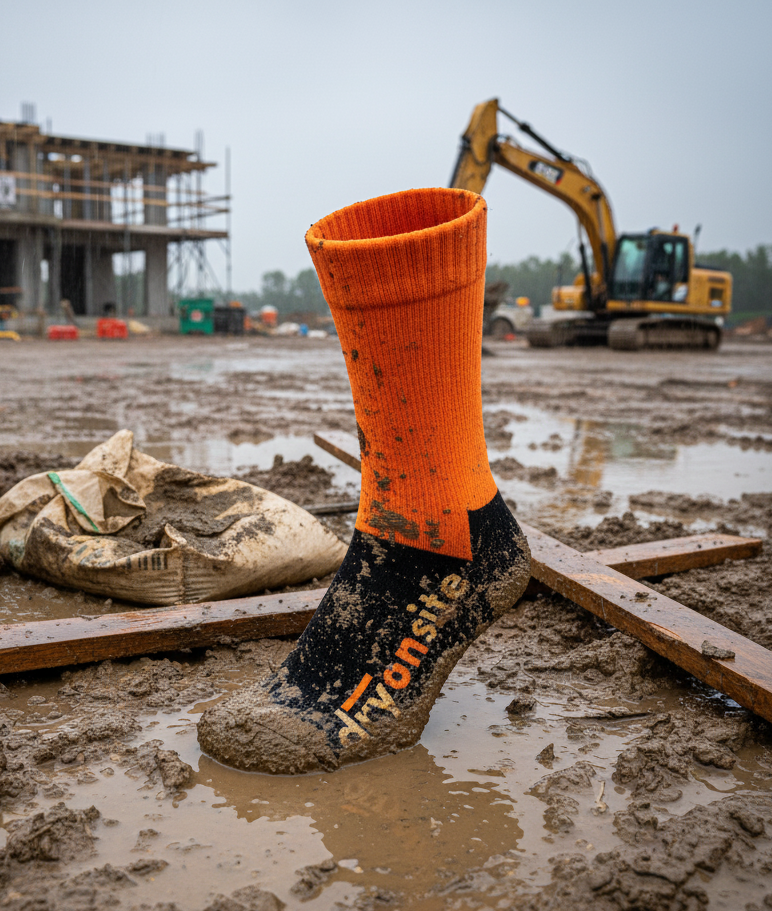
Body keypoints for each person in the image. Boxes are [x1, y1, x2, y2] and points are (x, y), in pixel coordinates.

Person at [198, 188, 531, 774]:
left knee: (421, 480)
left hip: (446, 536)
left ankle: (445, 539)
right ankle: (453, 528)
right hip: (424, 525)